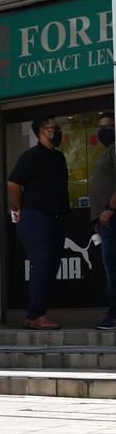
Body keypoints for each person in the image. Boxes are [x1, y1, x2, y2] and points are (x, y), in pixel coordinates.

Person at [8, 115, 68, 330]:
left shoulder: (59, 157)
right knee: (41, 264)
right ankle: (35, 315)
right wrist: (18, 212)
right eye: (55, 128)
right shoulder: (31, 156)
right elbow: (13, 184)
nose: (58, 131)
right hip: (35, 217)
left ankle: (41, 311)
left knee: (50, 267)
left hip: (55, 218)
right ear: (43, 131)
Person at [90, 112, 116, 330]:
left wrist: (110, 208)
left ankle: (114, 314)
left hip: (112, 218)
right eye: (100, 127)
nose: (103, 130)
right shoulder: (106, 151)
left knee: (113, 267)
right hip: (106, 221)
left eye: (108, 126)